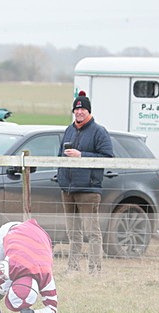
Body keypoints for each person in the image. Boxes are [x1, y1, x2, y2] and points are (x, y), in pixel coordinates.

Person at [57, 91, 114, 274]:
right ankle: (72, 268)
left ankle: (94, 268)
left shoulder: (99, 132)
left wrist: (82, 155)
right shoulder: (69, 130)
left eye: (83, 109)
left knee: (92, 232)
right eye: (77, 109)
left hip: (88, 189)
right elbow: (59, 156)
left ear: (89, 111)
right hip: (68, 189)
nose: (79, 112)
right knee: (73, 233)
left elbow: (107, 157)